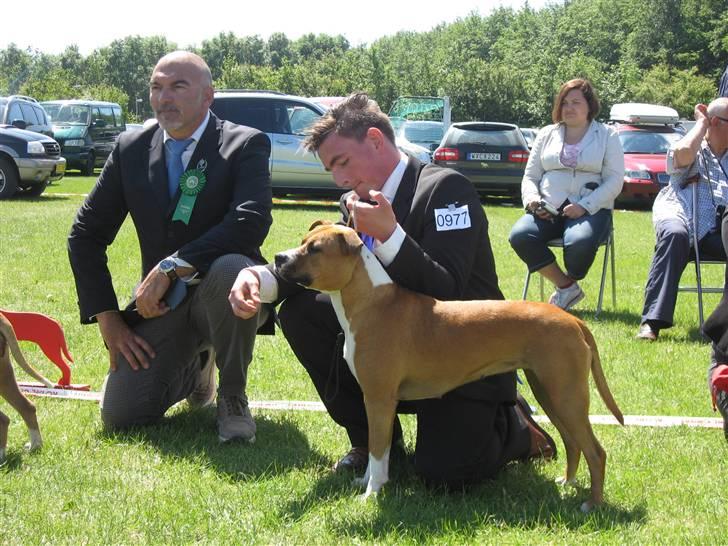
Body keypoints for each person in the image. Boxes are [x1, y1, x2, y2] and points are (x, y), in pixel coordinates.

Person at [228, 93, 555, 488]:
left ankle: (517, 427)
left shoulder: (447, 189)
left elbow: (447, 291)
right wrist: (260, 279)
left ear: (376, 141)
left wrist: (389, 234)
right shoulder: (356, 201)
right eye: (332, 169)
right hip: (393, 351)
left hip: (462, 357)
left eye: (342, 162)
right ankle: (372, 442)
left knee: (445, 474)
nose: (340, 179)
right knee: (302, 311)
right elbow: (323, 262)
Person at [67, 51, 273, 442]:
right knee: (122, 415)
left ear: (208, 96)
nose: (165, 98)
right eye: (157, 87)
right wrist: (108, 319)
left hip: (233, 296)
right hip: (167, 306)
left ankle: (232, 396)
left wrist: (171, 266)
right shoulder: (130, 148)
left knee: (230, 266)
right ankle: (198, 368)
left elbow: (250, 221)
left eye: (179, 86)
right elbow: (85, 235)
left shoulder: (245, 144)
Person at [509, 79, 624, 310]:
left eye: (576, 102)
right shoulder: (546, 134)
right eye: (564, 103)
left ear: (589, 106)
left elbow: (615, 180)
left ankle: (571, 280)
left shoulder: (607, 135)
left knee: (579, 242)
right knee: (520, 235)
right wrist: (532, 201)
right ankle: (566, 287)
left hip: (591, 208)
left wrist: (585, 206)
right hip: (547, 208)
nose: (569, 108)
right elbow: (530, 176)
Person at [636, 99, 728, 341]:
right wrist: (701, 124)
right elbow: (682, 154)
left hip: (720, 227)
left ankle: (722, 325)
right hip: (682, 215)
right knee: (675, 235)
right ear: (715, 122)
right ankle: (652, 323)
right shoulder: (692, 146)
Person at [688, 98, 728, 441]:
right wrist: (701, 126)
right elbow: (679, 159)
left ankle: (722, 356)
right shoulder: (697, 143)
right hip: (704, 224)